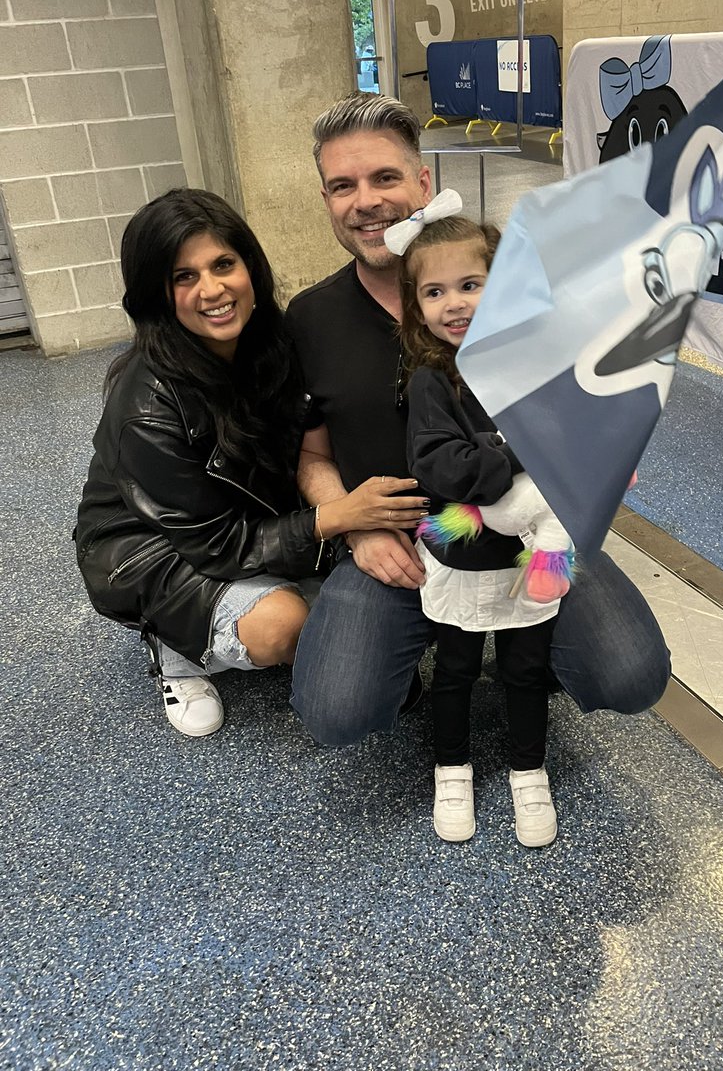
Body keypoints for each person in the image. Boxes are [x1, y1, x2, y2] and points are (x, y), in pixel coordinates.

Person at [285, 91, 671, 747]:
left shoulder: (517, 301)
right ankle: (416, 652)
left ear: (424, 182)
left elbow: (584, 415)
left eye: (385, 177)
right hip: (403, 545)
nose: (366, 201)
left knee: (630, 675)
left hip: (524, 536)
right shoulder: (311, 319)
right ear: (326, 200)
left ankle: (525, 645)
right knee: (337, 710)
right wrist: (353, 527)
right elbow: (313, 457)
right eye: (342, 186)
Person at [75, 188, 427, 737]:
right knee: (285, 627)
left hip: (251, 516)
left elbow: (307, 449)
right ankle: (177, 647)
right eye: (183, 277)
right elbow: (217, 545)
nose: (212, 290)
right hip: (157, 549)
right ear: (156, 294)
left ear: (249, 267)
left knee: (374, 657)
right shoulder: (145, 407)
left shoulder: (273, 342)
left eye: (223, 264)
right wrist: (341, 517)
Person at [396, 208, 569, 847]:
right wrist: (518, 451)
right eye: (434, 292)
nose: (455, 303)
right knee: (457, 668)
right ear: (416, 308)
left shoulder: (534, 366)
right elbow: (443, 467)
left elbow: (572, 438)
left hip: (528, 562)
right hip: (464, 552)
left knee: (527, 669)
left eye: (471, 284)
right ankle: (452, 767)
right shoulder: (430, 381)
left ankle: (529, 769)